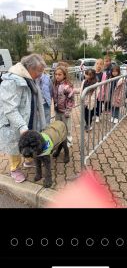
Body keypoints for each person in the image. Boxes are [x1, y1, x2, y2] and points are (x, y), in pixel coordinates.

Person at [0, 53, 47, 183]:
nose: (40, 74)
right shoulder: (11, 81)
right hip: (14, 121)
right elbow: (9, 108)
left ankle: (28, 160)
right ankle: (14, 169)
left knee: (27, 142)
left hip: (28, 116)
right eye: (39, 71)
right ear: (30, 68)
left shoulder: (28, 77)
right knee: (15, 144)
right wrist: (21, 125)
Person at [52, 66, 74, 147]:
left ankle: (69, 140)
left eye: (59, 74)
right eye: (56, 74)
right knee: (58, 126)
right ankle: (61, 140)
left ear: (64, 75)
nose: (57, 76)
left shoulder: (67, 86)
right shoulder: (54, 84)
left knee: (67, 127)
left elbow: (71, 99)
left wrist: (68, 110)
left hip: (65, 112)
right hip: (57, 110)